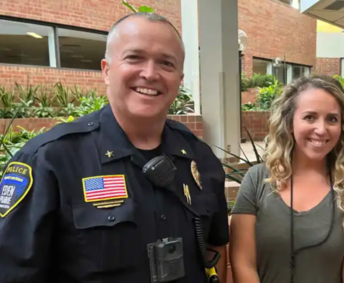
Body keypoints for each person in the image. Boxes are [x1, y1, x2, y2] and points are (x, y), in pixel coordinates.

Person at [0, 12, 229, 283]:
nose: (150, 73)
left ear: (179, 81)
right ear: (107, 70)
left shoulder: (199, 158)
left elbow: (216, 247)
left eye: (166, 63)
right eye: (135, 58)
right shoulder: (50, 160)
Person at [229, 75, 344, 283]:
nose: (321, 129)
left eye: (332, 119)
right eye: (310, 117)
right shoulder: (257, 180)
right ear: (290, 123)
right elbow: (243, 264)